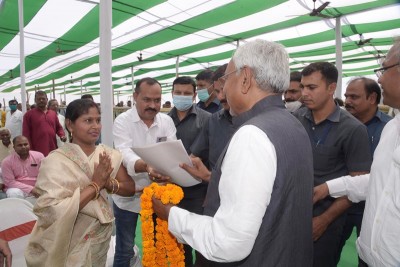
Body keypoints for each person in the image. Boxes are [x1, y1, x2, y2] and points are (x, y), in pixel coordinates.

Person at [153, 39, 314, 266]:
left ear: (245, 79)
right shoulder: (292, 124)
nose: (222, 91)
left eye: (226, 79)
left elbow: (227, 242)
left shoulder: (252, 135)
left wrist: (170, 214)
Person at [313, 38, 400, 266]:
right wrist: (328, 188)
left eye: (384, 68)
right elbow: (380, 181)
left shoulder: (367, 127)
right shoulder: (393, 128)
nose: (379, 78)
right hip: (368, 257)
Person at [25, 99, 136, 266]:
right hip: (67, 239)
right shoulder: (55, 161)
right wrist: (96, 185)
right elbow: (49, 209)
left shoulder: (107, 154)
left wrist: (108, 184)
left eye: (98, 120)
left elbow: (130, 188)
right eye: (88, 120)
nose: (95, 126)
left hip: (98, 239)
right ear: (70, 124)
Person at [293, 62, 372, 267]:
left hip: (326, 221)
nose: (304, 93)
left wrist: (324, 220)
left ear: (331, 88)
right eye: (302, 87)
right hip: (293, 213)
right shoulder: (295, 118)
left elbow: (359, 184)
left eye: (311, 87)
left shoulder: (354, 130)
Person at [112, 77, 176, 266]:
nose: (153, 105)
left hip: (157, 195)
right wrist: (145, 166)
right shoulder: (122, 121)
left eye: (157, 100)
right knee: (124, 250)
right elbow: (124, 153)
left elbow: (171, 151)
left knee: (157, 247)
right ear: (135, 97)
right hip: (128, 197)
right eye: (147, 100)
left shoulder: (166, 121)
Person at [167, 76, 211, 266]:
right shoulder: (164, 120)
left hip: (198, 192)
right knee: (178, 242)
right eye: (178, 93)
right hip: (172, 190)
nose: (181, 97)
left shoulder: (207, 119)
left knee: (200, 240)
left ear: (194, 96)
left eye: (186, 93)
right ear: (172, 93)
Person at [191, 63, 236, 173]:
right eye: (217, 92)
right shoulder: (213, 120)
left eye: (224, 90)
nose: (220, 97)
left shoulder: (256, 121)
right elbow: (194, 156)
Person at [22, 91, 67, 156]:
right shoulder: (28, 115)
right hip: (36, 150)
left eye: (43, 99)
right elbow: (26, 134)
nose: (41, 100)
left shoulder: (53, 114)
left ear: (47, 100)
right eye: (39, 99)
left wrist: (62, 135)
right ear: (35, 100)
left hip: (52, 148)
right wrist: (29, 150)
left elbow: (58, 127)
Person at [1, 135, 44, 201]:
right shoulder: (6, 162)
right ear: (14, 147)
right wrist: (31, 189)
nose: (23, 147)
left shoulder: (39, 156)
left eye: (25, 144)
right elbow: (10, 182)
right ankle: (17, 211)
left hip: (38, 186)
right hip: (19, 189)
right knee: (13, 193)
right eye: (20, 145)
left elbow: (45, 174)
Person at [0, 128, 14, 199]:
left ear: (10, 135)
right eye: (2, 135)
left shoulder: (16, 143)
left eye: (7, 134)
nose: (5, 137)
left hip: (15, 169)